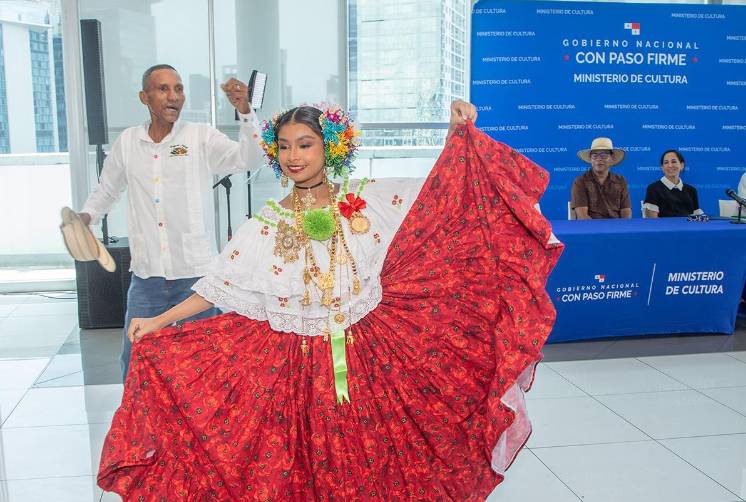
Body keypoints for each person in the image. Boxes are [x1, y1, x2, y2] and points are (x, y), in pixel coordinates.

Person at [96, 101, 563, 500]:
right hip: (293, 364)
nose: (293, 156)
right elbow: (220, 285)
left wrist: (455, 132)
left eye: (305, 144)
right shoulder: (269, 221)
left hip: (367, 356)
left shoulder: (367, 200)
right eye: (284, 146)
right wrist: (160, 320)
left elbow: (439, 199)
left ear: (330, 147)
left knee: (370, 455)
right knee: (297, 460)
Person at [77, 64, 265, 378]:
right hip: (147, 280)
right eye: (163, 89)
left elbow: (250, 158)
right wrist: (85, 217)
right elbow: (107, 190)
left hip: (198, 280)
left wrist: (245, 111)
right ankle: (140, 428)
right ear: (144, 97)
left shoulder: (199, 136)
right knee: (136, 365)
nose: (174, 96)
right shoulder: (127, 142)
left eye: (178, 89)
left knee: (208, 367)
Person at [570, 137, 631, 219]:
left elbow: (626, 212)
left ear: (612, 159)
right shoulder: (580, 181)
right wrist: (599, 231)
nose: (599, 159)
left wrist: (622, 229)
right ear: (590, 159)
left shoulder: (620, 181)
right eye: (595, 156)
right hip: (590, 229)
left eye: (604, 155)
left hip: (617, 228)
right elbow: (582, 216)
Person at [642, 150, 703, 218]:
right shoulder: (653, 189)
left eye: (673, 162)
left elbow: (697, 219)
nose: (670, 165)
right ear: (662, 167)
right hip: (663, 228)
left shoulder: (691, 190)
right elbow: (652, 222)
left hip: (688, 228)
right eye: (666, 162)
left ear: (682, 165)